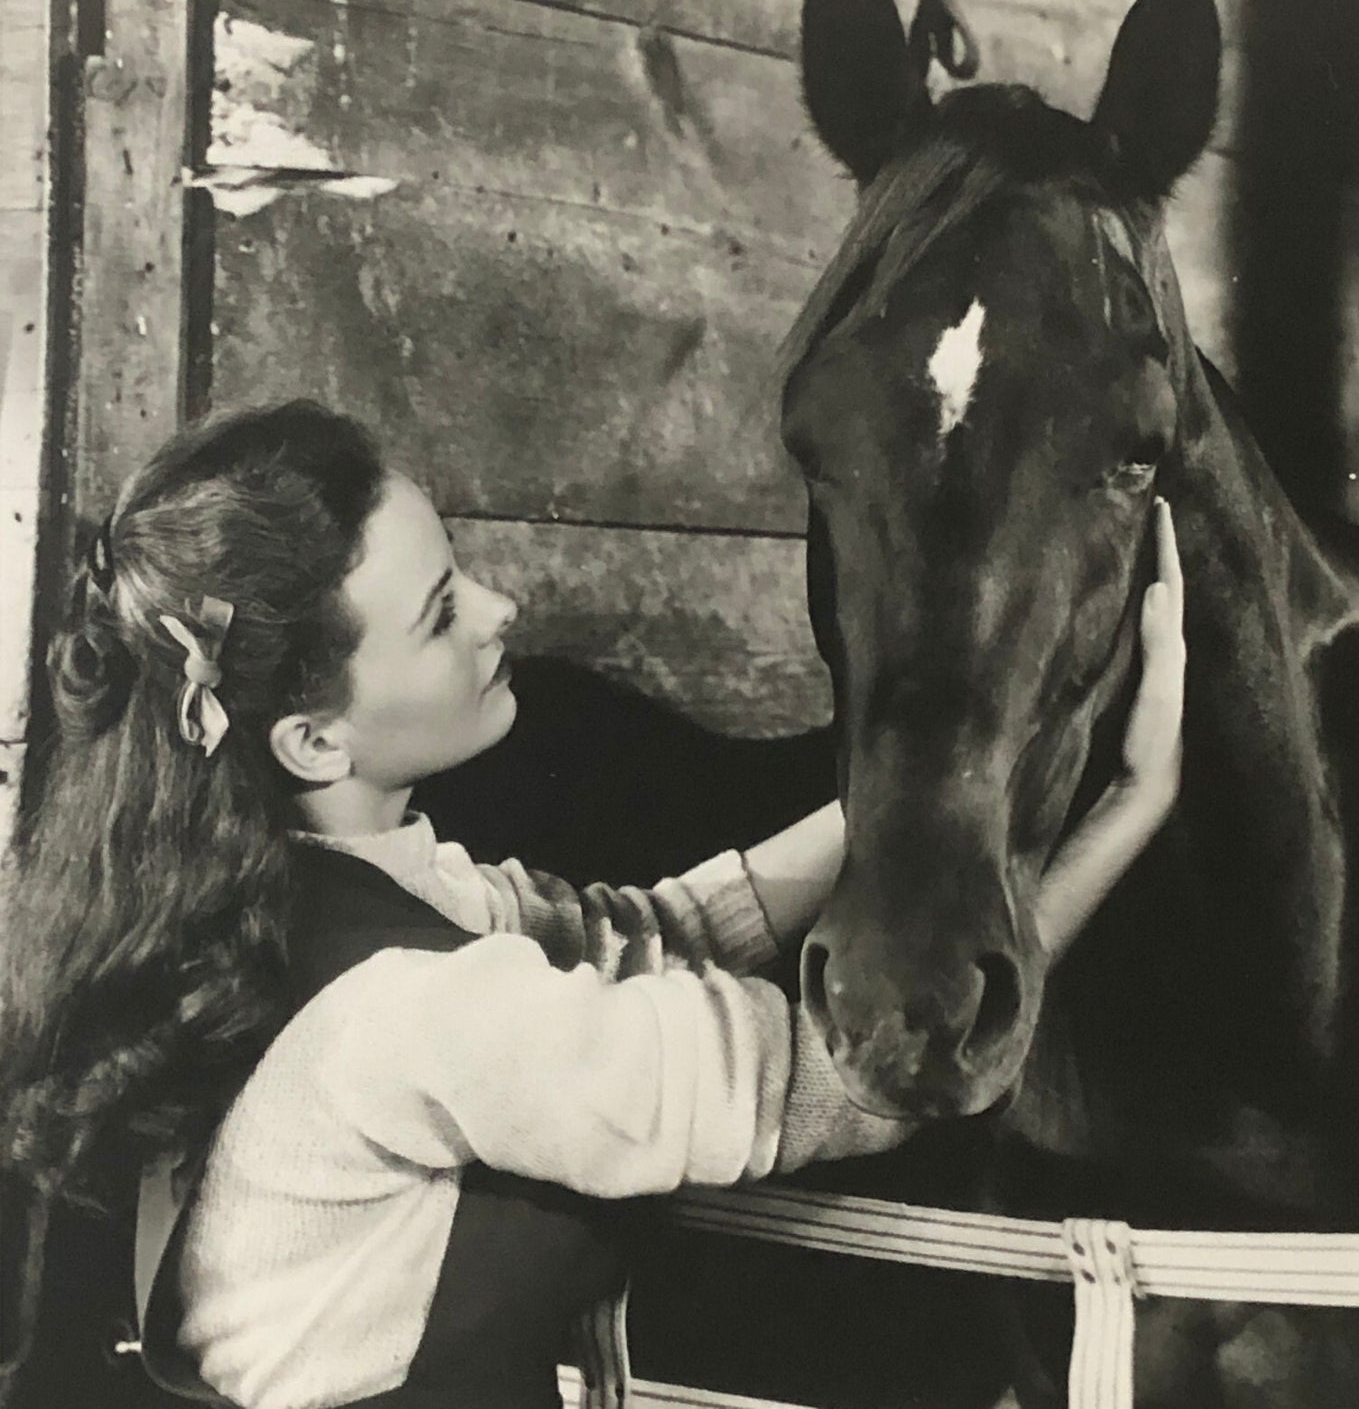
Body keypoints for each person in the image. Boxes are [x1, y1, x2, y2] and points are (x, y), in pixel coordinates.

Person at [0, 401, 1186, 1409]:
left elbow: (643, 935)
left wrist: (909, 785)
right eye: (441, 611)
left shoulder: (288, 897)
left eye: (461, 567)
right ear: (313, 740)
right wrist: (1129, 804)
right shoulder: (412, 1006)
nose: (499, 607)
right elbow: (864, 1073)